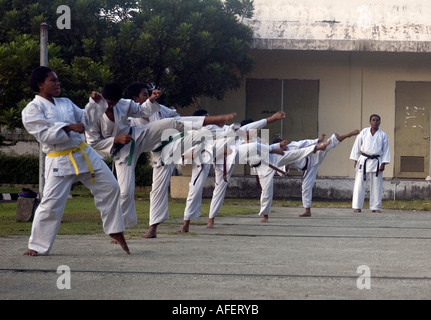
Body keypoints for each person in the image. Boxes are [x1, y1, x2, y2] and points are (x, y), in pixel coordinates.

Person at [86, 82, 236, 230]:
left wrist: (151, 100)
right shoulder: (93, 113)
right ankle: (120, 227)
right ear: (103, 98)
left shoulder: (125, 104)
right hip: (122, 150)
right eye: (109, 103)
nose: (112, 107)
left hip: (140, 137)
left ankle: (213, 121)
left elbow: (141, 110)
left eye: (115, 103)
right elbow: (93, 142)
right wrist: (116, 140)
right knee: (125, 191)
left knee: (171, 122)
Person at [21, 66, 130, 256]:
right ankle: (37, 245)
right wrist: (68, 128)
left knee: (111, 187)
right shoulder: (32, 109)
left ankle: (114, 229)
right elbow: (43, 134)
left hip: (84, 154)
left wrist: (95, 104)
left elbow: (85, 120)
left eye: (57, 80)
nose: (57, 83)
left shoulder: (65, 102)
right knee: (51, 204)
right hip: (59, 160)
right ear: (40, 85)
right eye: (52, 80)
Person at [125, 82, 179, 238]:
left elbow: (176, 116)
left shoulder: (159, 109)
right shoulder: (130, 119)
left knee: (157, 189)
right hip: (146, 149)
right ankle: (121, 226)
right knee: (124, 189)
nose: (148, 97)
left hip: (168, 149)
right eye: (144, 94)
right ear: (135, 98)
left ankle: (153, 228)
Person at [284, 130, 360, 218]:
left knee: (328, 144)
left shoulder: (291, 146)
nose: (283, 147)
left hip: (312, 156)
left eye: (283, 145)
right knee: (305, 188)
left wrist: (318, 140)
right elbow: (284, 172)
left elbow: (304, 142)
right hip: (308, 169)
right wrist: (287, 162)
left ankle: (347, 134)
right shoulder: (279, 157)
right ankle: (307, 210)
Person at [350, 114, 390, 213]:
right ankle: (357, 206)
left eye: (377, 120)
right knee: (359, 184)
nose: (375, 122)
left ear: (380, 122)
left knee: (376, 185)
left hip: (377, 161)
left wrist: (383, 163)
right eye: (373, 120)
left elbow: (386, 150)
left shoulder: (383, 135)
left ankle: (375, 207)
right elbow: (357, 146)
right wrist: (355, 160)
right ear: (370, 122)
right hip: (363, 160)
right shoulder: (363, 132)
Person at [251, 138, 289, 223]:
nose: (284, 148)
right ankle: (265, 215)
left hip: (265, 169)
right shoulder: (263, 145)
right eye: (282, 146)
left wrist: (288, 160)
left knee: (267, 192)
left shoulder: (278, 156)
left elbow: (283, 171)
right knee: (266, 192)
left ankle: (265, 215)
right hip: (258, 162)